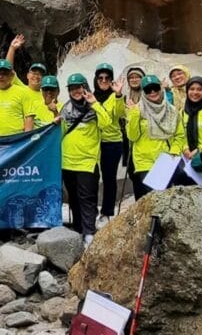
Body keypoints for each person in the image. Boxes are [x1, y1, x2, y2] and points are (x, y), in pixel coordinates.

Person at [59, 73, 112, 245]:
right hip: (67, 161)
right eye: (72, 88)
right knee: (73, 198)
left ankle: (89, 233)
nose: (76, 91)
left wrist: (94, 103)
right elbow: (60, 133)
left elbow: (106, 123)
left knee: (87, 199)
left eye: (79, 87)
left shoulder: (94, 109)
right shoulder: (65, 110)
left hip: (87, 162)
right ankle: (78, 229)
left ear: (85, 87)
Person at [125, 75, 185, 199]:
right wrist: (134, 114)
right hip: (144, 161)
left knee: (163, 198)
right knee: (156, 196)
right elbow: (132, 136)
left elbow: (179, 136)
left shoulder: (172, 111)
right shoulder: (137, 110)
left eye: (155, 88)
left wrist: (174, 152)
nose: (152, 92)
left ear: (160, 89)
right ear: (143, 92)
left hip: (165, 159)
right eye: (148, 90)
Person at [93, 63, 125, 228]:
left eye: (107, 78)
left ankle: (106, 212)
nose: (104, 80)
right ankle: (91, 211)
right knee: (92, 177)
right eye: (101, 78)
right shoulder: (91, 96)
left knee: (109, 178)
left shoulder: (116, 97)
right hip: (93, 143)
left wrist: (119, 95)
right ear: (96, 80)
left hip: (112, 142)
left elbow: (120, 114)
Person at [5, 34, 46, 110]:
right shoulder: (21, 88)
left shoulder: (46, 96)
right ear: (27, 75)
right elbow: (8, 70)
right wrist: (12, 48)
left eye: (40, 74)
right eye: (33, 73)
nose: (36, 76)